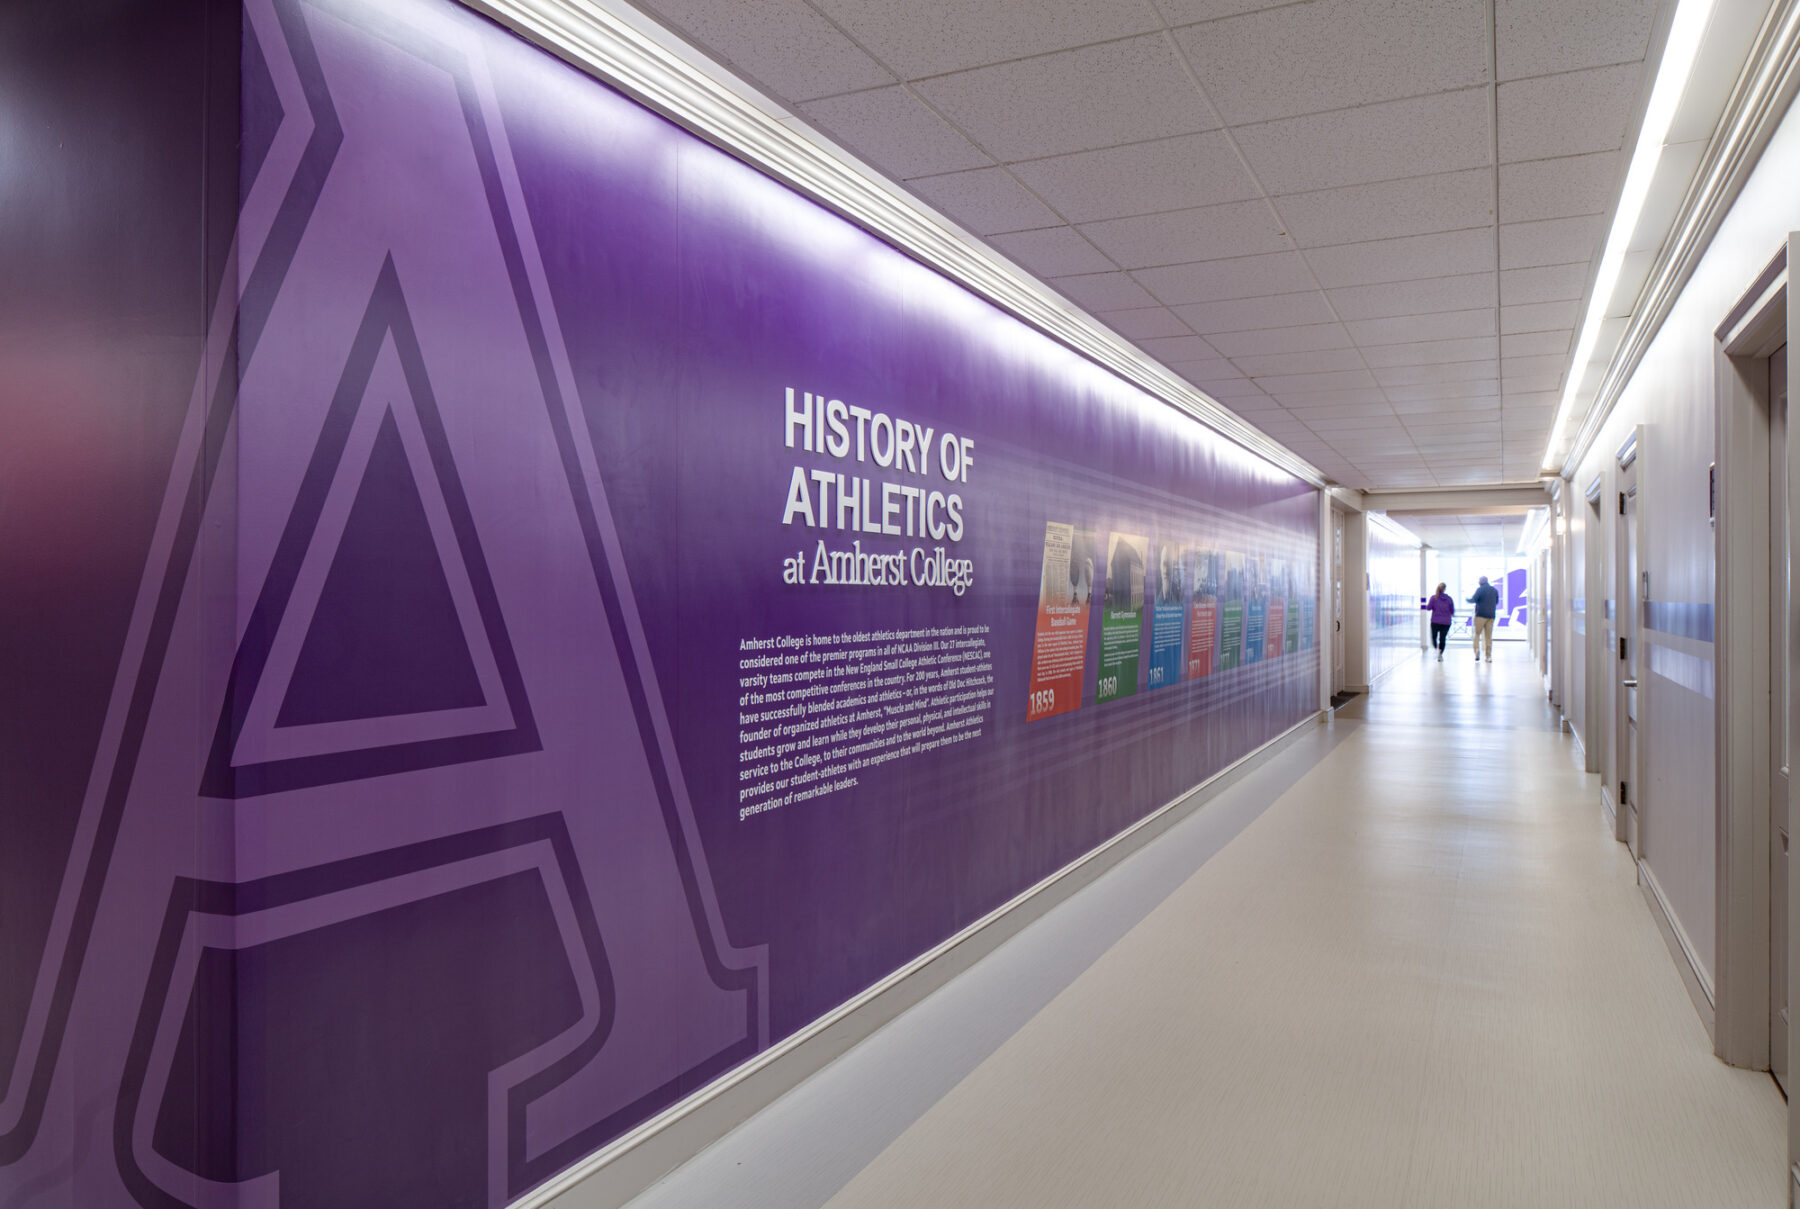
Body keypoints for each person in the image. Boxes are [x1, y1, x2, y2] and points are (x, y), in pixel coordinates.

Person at [1468, 575, 1499, 662]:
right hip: (1491, 616)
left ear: (1482, 581)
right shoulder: (1494, 590)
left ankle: (1477, 652)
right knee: (1488, 636)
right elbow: (1496, 602)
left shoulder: (1480, 589)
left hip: (1480, 615)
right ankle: (1488, 656)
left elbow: (1473, 599)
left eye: (1479, 580)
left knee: (1477, 634)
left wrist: (1467, 599)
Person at [1422, 582, 1454, 661]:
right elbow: (1452, 611)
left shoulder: (1433, 598)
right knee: (1442, 638)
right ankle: (1440, 653)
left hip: (1435, 621)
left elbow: (1429, 608)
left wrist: (1423, 604)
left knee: (1434, 637)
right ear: (1445, 589)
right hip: (1446, 622)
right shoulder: (1449, 599)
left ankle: (1436, 649)